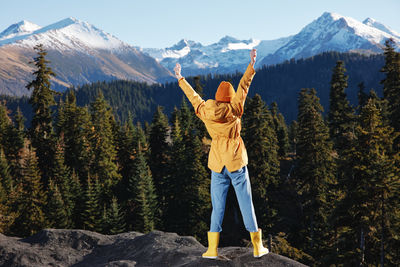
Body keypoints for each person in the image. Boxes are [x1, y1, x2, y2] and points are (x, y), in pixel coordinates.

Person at [174, 48, 268, 259]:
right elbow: (244, 87)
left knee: (217, 207)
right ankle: (257, 247)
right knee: (246, 203)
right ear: (230, 98)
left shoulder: (206, 110)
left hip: (217, 164)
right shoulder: (234, 109)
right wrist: (251, 65)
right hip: (235, 162)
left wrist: (181, 79)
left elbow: (194, 98)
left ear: (217, 98)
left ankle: (212, 249)